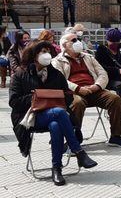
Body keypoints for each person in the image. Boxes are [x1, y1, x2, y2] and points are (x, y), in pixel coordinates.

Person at [10, 41, 98, 185]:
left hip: (54, 115)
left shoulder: (55, 73)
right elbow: (14, 102)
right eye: (43, 51)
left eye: (48, 51)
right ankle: (79, 152)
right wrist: (36, 97)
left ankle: (56, 168)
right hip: (30, 116)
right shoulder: (20, 74)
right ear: (33, 55)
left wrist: (56, 95)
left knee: (56, 124)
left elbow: (68, 95)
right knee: (58, 113)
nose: (47, 54)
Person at [52, 33, 121, 148]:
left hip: (94, 89)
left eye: (78, 39)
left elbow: (102, 73)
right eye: (74, 40)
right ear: (65, 44)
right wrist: (78, 88)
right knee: (77, 103)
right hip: (74, 93)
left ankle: (116, 136)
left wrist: (97, 86)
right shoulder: (57, 61)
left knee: (115, 99)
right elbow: (60, 80)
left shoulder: (88, 57)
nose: (78, 42)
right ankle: (73, 140)